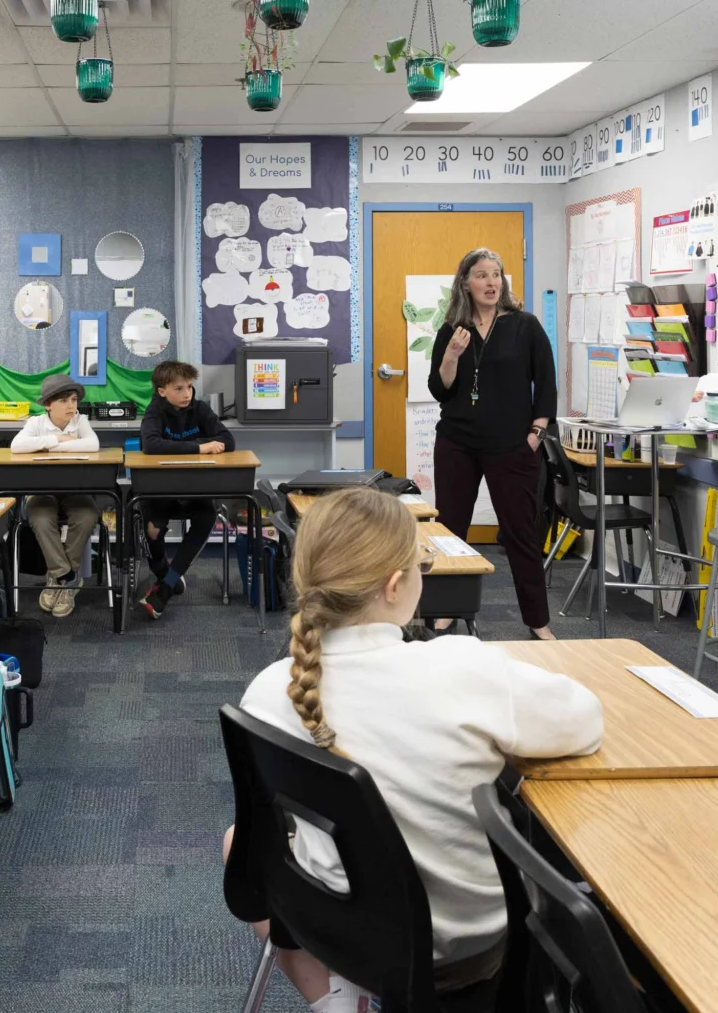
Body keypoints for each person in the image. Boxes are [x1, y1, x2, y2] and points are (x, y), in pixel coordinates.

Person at [233, 488, 602, 1012]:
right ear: (394, 584)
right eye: (420, 564)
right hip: (457, 953)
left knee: (236, 840)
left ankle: (335, 999)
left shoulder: (270, 690)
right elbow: (584, 721)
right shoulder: (462, 669)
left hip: (326, 926)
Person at [425, 248, 558, 640]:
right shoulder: (452, 329)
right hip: (457, 443)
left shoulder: (524, 325)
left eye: (497, 275)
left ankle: (538, 621)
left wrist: (536, 433)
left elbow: (546, 382)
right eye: (482, 275)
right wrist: (451, 356)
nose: (491, 283)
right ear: (466, 282)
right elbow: (439, 389)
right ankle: (447, 609)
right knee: (450, 529)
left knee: (521, 533)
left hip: (512, 447)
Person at [138, 360, 234, 620]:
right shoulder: (154, 412)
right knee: (152, 529)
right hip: (161, 489)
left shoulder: (200, 409)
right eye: (178, 389)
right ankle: (162, 570)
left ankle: (166, 587)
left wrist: (195, 444)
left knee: (206, 517)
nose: (186, 394)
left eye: (189, 387)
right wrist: (200, 447)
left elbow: (227, 440)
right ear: (162, 391)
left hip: (195, 487)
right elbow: (152, 445)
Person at [9, 374, 100, 617]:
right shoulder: (35, 423)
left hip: (76, 491)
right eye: (63, 401)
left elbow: (92, 445)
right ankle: (67, 576)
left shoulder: (81, 421)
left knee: (87, 516)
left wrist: (45, 445)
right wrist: (57, 439)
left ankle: (58, 579)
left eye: (73, 400)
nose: (72, 405)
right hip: (42, 490)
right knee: (39, 518)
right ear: (48, 404)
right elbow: (16, 446)